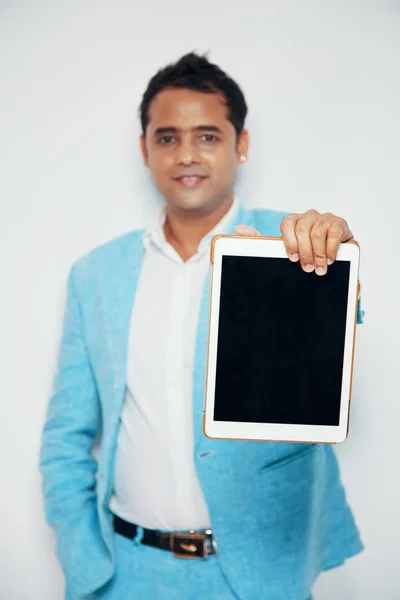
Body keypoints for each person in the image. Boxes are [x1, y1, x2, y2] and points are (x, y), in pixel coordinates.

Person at [39, 52, 364, 600]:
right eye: (167, 138)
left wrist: (329, 269)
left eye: (208, 136)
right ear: (144, 149)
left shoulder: (290, 248)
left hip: (261, 577)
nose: (187, 154)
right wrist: (83, 559)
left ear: (241, 144)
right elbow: (66, 436)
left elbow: (330, 362)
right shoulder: (95, 275)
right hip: (126, 574)